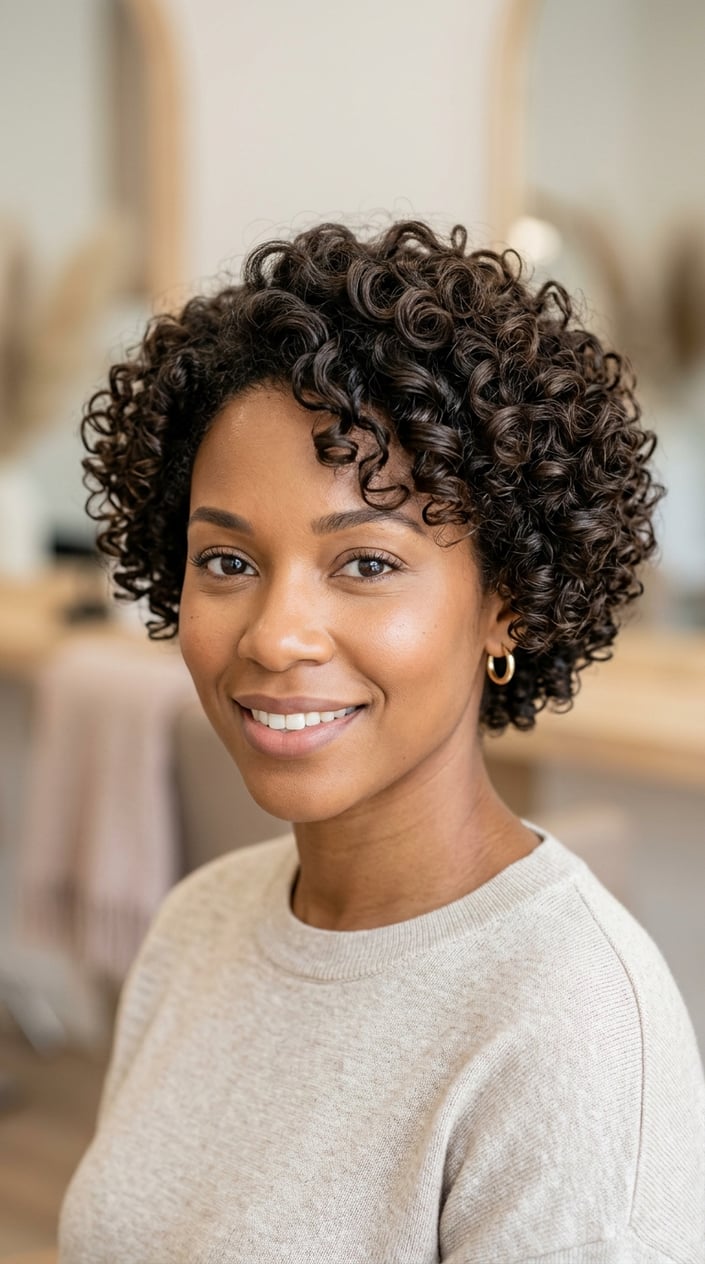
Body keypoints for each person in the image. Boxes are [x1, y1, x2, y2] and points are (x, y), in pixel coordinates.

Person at [57, 221, 705, 1263]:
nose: (275, 635)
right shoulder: (199, 924)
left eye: (365, 562)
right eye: (226, 560)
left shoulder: (569, 1035)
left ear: (508, 602)